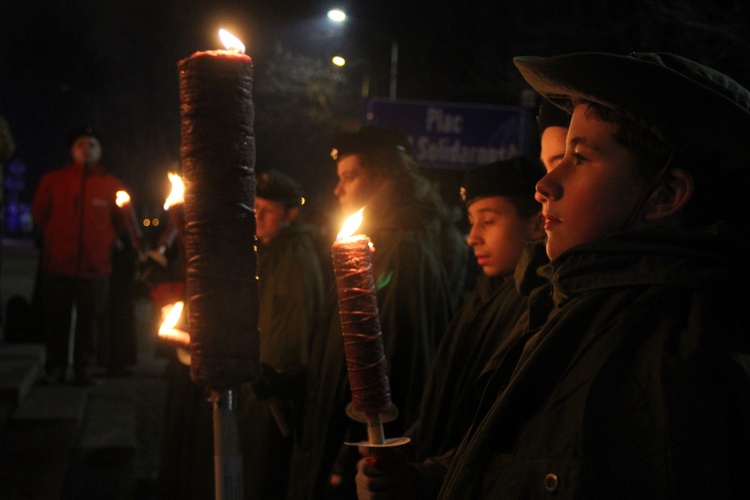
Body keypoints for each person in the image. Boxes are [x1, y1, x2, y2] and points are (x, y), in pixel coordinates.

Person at [356, 52, 750, 499]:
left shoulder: (681, 359)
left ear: (664, 194)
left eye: (578, 158)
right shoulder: (577, 305)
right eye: (555, 159)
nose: (544, 186)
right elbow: (525, 459)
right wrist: (422, 482)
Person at [284, 125, 457, 499]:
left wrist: (351, 458)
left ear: (384, 178)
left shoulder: (404, 252)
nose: (337, 190)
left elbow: (395, 366)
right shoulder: (375, 246)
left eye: (349, 177)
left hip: (366, 458)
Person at [409, 155, 547, 463]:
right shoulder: (483, 293)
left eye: (488, 221)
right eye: (472, 223)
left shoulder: (536, 303)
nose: (472, 237)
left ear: (538, 222)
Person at [239, 169, 326, 499]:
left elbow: (293, 326)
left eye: (269, 210)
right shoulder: (268, 248)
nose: (258, 216)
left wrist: (279, 378)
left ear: (291, 214)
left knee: (266, 465)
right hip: (259, 377)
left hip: (274, 386)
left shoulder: (294, 256)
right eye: (255, 206)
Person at [31, 125, 127, 385]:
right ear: (72, 150)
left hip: (95, 267)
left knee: (90, 322)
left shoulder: (111, 185)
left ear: (100, 151)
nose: (87, 149)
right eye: (81, 144)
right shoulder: (53, 181)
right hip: (59, 264)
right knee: (56, 320)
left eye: (92, 144)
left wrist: (105, 241)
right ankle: (56, 367)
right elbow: (39, 214)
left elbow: (122, 221)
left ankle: (84, 368)